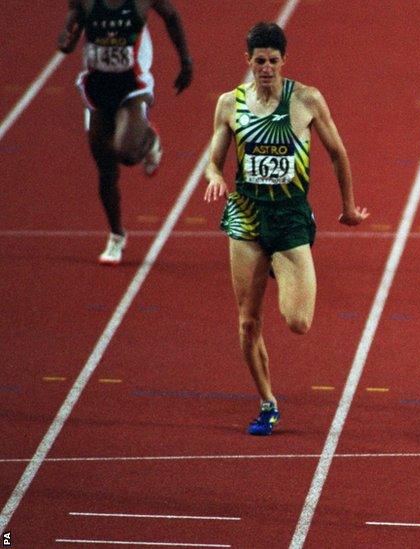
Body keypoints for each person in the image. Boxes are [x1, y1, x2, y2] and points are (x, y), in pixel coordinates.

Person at [203, 22, 368, 436]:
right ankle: (267, 402)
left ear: (283, 62)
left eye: (273, 61)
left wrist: (347, 207)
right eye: (259, 61)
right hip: (245, 216)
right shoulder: (229, 104)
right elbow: (213, 159)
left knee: (298, 322)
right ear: (248, 61)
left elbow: (338, 154)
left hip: (291, 217)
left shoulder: (306, 100)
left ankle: (281, 266)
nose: (266, 68)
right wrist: (214, 176)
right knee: (247, 322)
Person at [57, 0, 193, 265]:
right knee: (106, 169)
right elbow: (68, 35)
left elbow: (172, 16)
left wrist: (186, 61)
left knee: (127, 153)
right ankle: (116, 235)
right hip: (97, 87)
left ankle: (149, 138)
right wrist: (66, 37)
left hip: (132, 84)